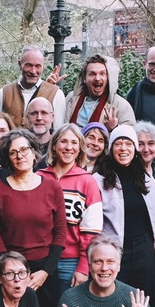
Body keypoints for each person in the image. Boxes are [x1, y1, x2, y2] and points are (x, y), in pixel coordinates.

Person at [0, 129, 67, 307]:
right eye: (13, 152)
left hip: (45, 272)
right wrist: (11, 273)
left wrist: (46, 272)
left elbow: (60, 232)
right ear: (7, 158)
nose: (20, 155)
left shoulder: (52, 186)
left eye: (24, 149)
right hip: (12, 272)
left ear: (34, 152)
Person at [94, 125, 155, 300]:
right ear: (111, 149)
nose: (123, 149)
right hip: (114, 250)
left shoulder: (146, 179)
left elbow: (153, 216)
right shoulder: (98, 180)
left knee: (144, 298)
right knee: (116, 298)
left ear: (135, 148)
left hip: (144, 249)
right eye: (118, 144)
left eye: (128, 144)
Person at [39, 124, 103, 291]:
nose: (69, 147)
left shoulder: (87, 181)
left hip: (71, 262)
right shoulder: (38, 177)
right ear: (54, 145)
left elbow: (92, 231)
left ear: (80, 148)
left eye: (74, 143)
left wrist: (83, 266)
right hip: (40, 259)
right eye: (63, 141)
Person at [0, 46, 64, 130]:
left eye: (38, 66)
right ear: (20, 65)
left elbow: (58, 132)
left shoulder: (55, 94)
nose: (33, 71)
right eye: (29, 65)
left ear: (43, 67)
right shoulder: (4, 93)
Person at [64, 54, 135, 129]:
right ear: (84, 78)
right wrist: (51, 88)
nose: (97, 78)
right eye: (92, 74)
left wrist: (114, 128)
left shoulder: (121, 106)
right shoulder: (71, 99)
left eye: (102, 74)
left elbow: (129, 137)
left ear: (108, 78)